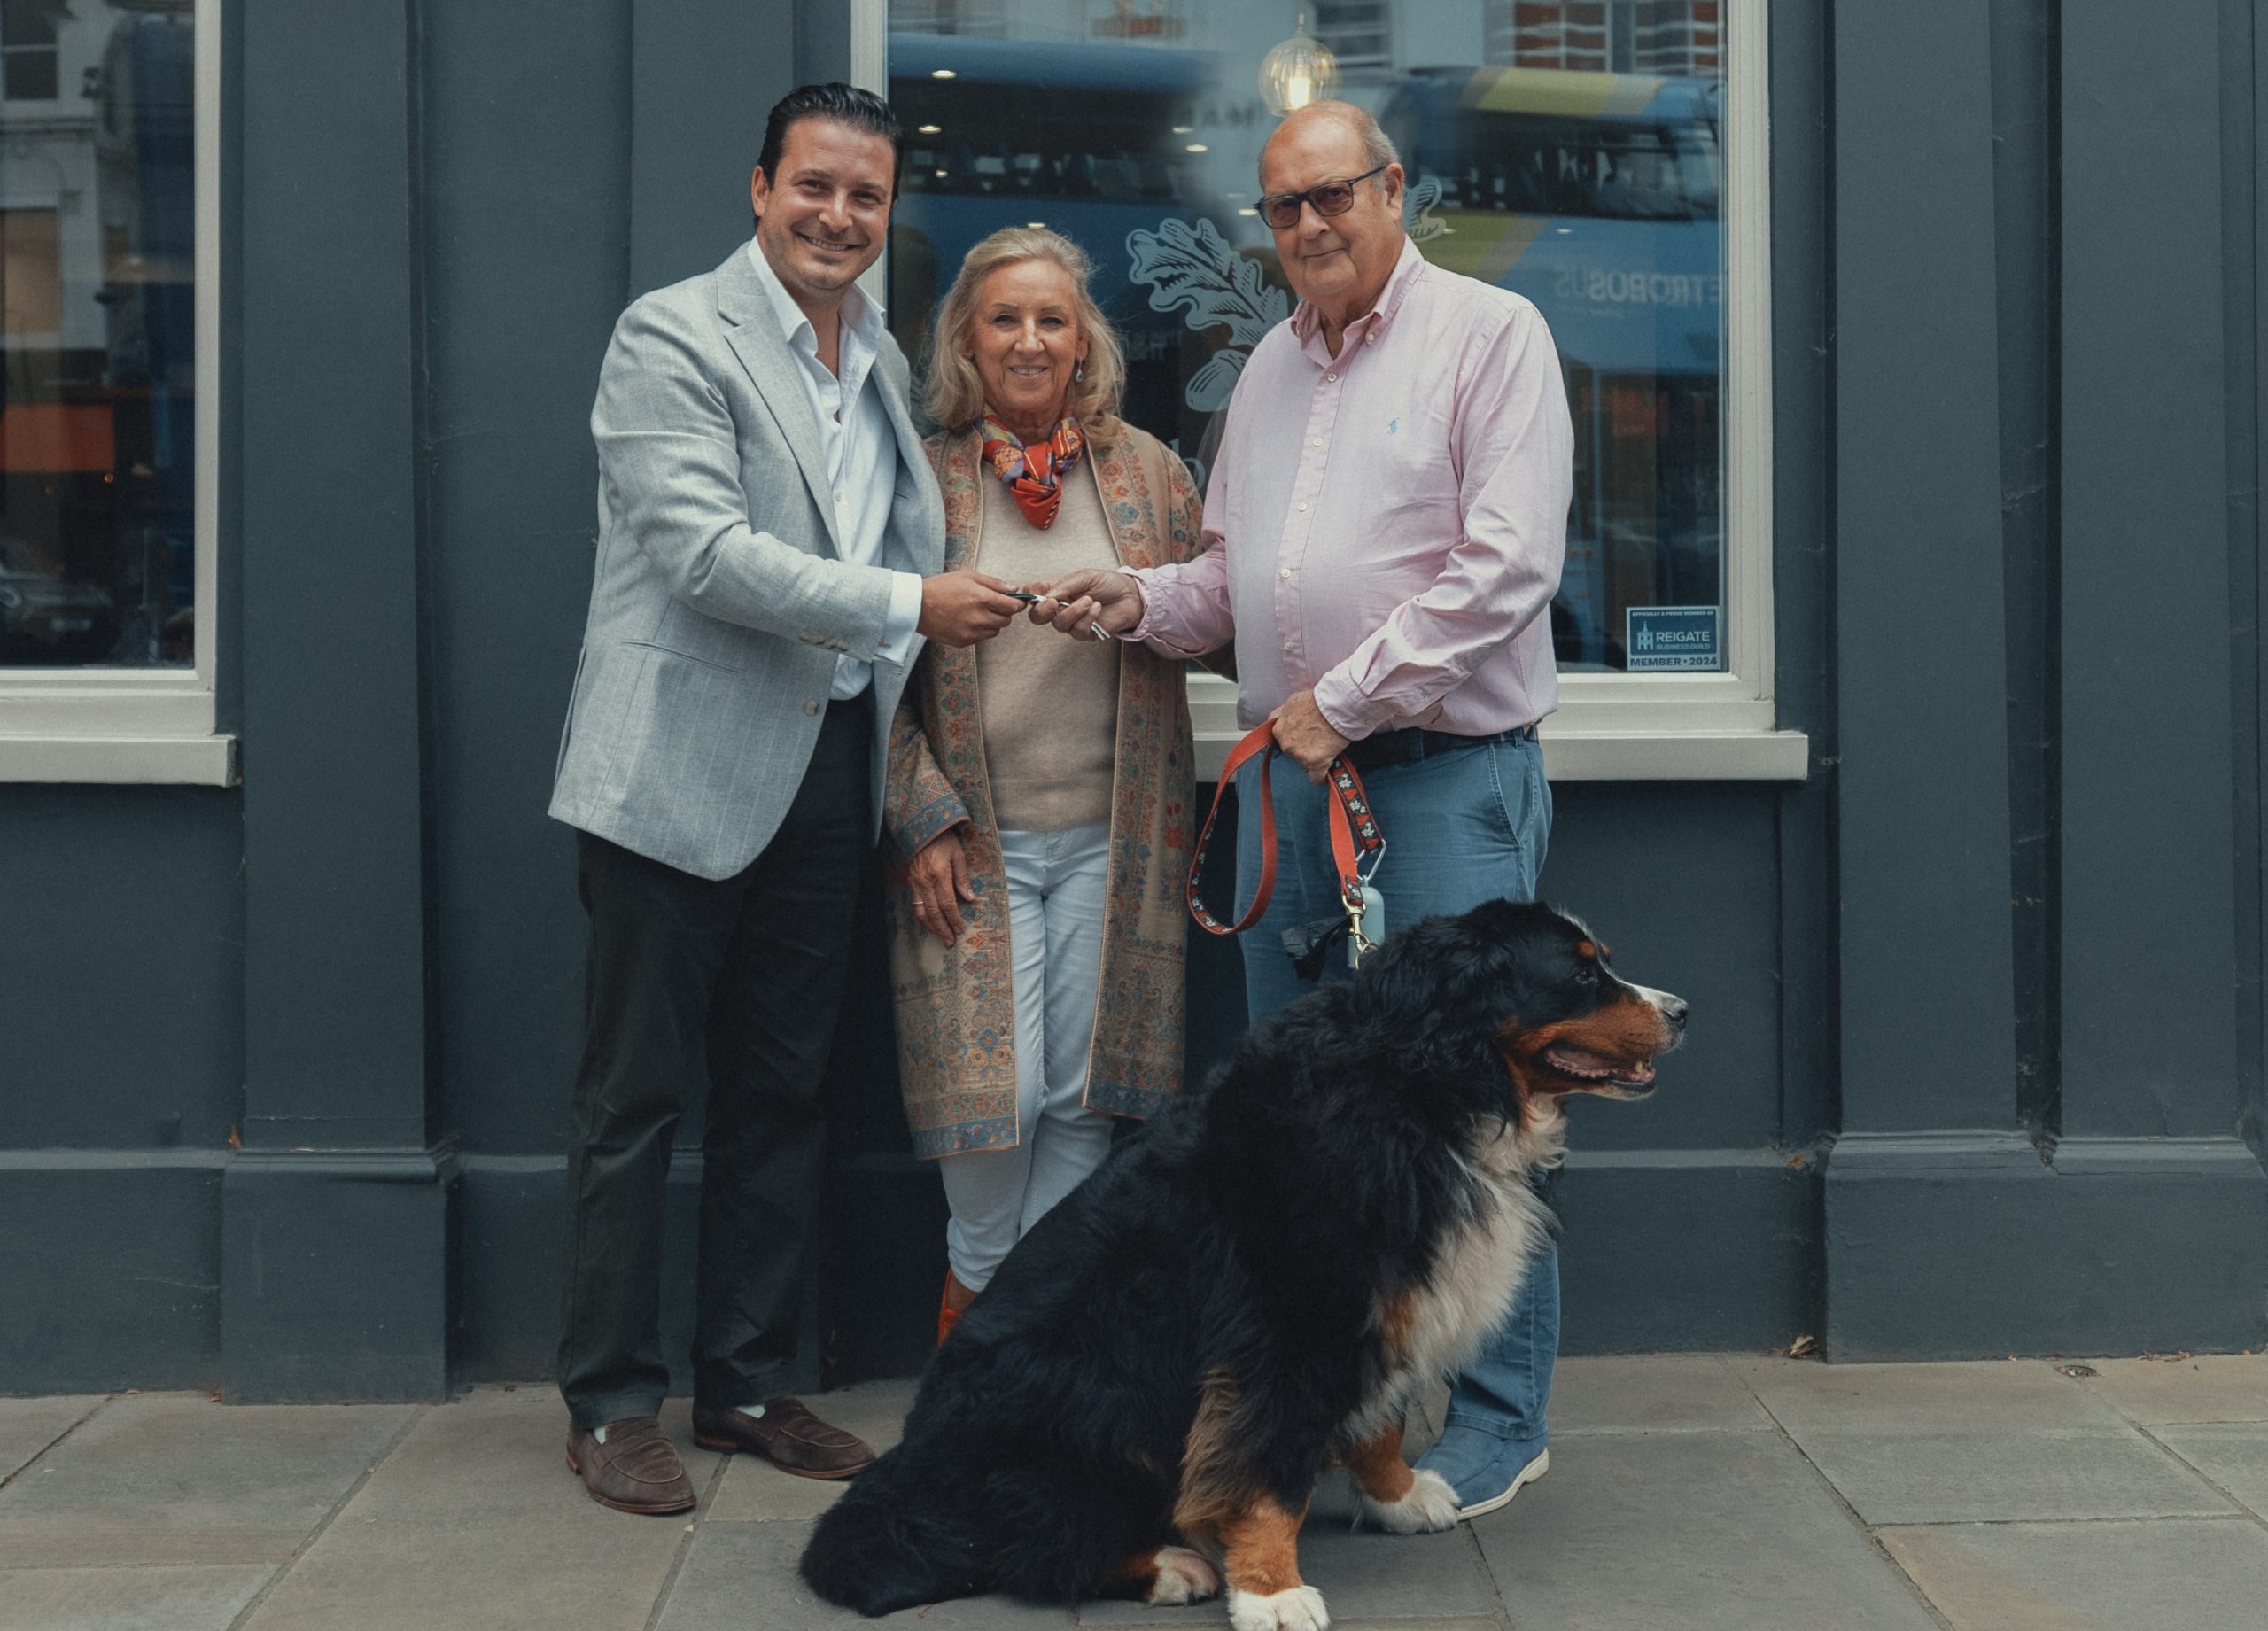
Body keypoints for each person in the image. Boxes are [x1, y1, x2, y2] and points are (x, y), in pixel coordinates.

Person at [1033, 101, 1575, 1521]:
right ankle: (1331, 1405)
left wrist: (1344, 697)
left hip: (1441, 775)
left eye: (1336, 193)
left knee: (1480, 1106)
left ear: (1395, 189)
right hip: (1291, 786)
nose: (1312, 224)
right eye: (1285, 206)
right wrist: (1138, 601)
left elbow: (1508, 567)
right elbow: (1234, 580)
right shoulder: (1271, 367)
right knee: (1306, 1119)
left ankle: (1501, 1420)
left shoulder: (1491, 336)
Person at [548, 83, 1028, 1516]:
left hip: (830, 766)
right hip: (674, 768)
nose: (838, 215)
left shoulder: (877, 355)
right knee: (634, 1097)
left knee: (782, 1093)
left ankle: (745, 1383)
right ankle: (609, 1403)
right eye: (814, 185)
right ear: (760, 188)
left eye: (866, 196)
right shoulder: (670, 336)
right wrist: (913, 601)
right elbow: (704, 553)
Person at [884, 227, 1203, 1345]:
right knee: (994, 1101)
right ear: (966, 341)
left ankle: (1040, 1344)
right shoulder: (918, 478)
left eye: (1051, 319)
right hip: (975, 842)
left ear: (1083, 342)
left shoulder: (1150, 472)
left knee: (1082, 1093)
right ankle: (981, 1312)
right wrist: (921, 816)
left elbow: (1212, 617)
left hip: (1121, 841)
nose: (1029, 340)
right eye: (1004, 318)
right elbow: (860, 664)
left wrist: (1138, 598)